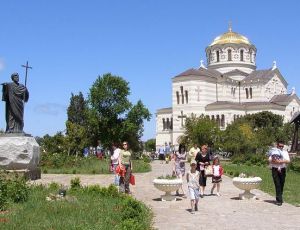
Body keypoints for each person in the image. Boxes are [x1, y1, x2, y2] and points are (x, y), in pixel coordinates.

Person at [268, 141, 290, 206]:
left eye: (282, 146)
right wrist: (275, 161)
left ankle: (280, 196)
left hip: (282, 169)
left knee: (281, 184)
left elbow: (288, 161)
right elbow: (269, 160)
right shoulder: (273, 151)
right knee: (277, 184)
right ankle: (279, 200)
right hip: (275, 169)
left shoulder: (285, 152)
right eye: (280, 146)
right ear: (277, 146)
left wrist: (281, 161)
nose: (281, 147)